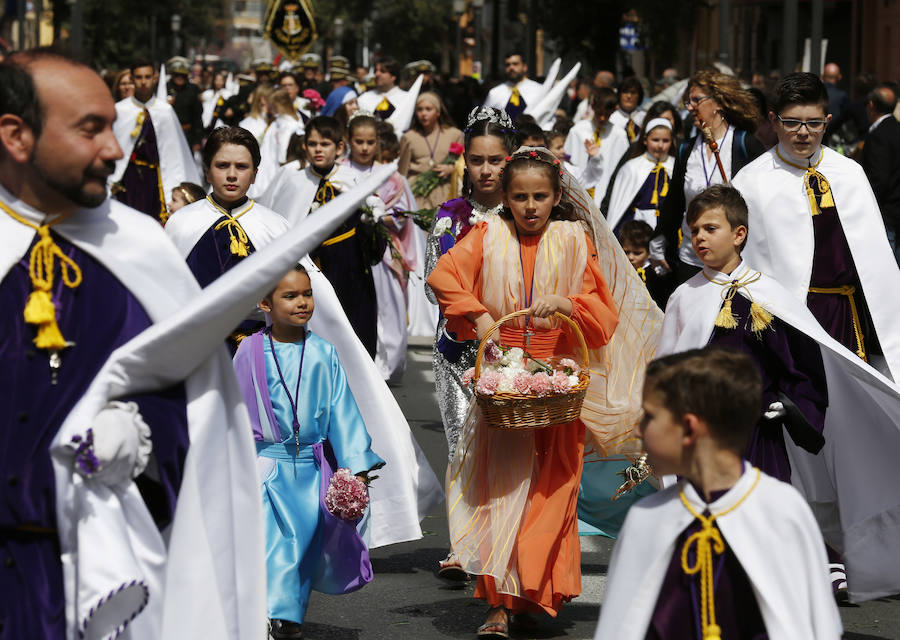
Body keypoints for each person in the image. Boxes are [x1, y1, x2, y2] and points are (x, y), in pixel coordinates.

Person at [0, 49, 265, 639]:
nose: (116, 150)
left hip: (102, 584)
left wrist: (137, 435)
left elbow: (198, 405)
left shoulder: (139, 245)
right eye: (90, 129)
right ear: (17, 136)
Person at [428, 148, 619, 635]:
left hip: (557, 385)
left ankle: (529, 589)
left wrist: (569, 304)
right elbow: (445, 275)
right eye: (519, 197)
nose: (530, 206)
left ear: (557, 197)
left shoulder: (575, 237)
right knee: (501, 492)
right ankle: (500, 602)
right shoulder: (487, 233)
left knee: (552, 492)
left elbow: (602, 311)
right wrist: (480, 314)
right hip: (504, 383)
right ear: (504, 199)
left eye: (539, 196)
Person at [593, 348, 842, 639]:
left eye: (649, 416)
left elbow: (813, 626)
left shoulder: (782, 512)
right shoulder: (648, 519)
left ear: (689, 428)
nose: (638, 430)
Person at [233, 264, 384, 640]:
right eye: (290, 296)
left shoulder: (323, 353)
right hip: (265, 468)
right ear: (264, 302)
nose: (302, 303)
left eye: (307, 294)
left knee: (302, 550)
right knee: (278, 546)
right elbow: (230, 413)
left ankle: (284, 616)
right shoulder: (248, 351)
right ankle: (279, 619)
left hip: (310, 473)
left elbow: (342, 412)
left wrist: (355, 469)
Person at [733, 72, 900, 382]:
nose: (803, 133)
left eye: (814, 123)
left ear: (828, 119)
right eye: (792, 122)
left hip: (845, 314)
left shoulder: (849, 173)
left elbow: (876, 263)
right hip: (789, 318)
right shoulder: (750, 181)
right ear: (773, 119)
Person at [421, 107, 517, 580]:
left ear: (511, 159)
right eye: (476, 160)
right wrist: (471, 313)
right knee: (463, 445)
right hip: (457, 350)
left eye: (495, 160)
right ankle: (463, 544)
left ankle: (505, 536)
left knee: (509, 447)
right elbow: (433, 281)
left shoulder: (528, 210)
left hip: (517, 348)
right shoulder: (449, 217)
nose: (485, 170)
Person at [260, 116, 383, 357]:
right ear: (305, 145)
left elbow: (371, 235)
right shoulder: (295, 182)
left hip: (349, 273)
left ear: (339, 147)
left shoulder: (353, 180)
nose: (318, 149)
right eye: (313, 143)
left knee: (353, 332)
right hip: (308, 273)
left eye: (325, 144)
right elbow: (281, 225)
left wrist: (371, 222)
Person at [653, 70, 764, 282]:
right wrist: (659, 240)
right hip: (691, 258)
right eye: (688, 102)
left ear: (719, 103)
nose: (690, 107)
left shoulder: (745, 144)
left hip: (734, 261)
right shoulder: (686, 149)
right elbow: (675, 200)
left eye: (696, 100)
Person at [342, 112, 418, 382]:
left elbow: (403, 214)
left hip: (382, 250)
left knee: (388, 306)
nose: (364, 147)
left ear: (378, 143)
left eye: (370, 142)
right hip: (347, 249)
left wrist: (378, 216)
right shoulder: (339, 172)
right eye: (359, 141)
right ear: (348, 141)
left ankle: (386, 364)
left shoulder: (391, 177)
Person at [110, 58, 200, 223]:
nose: (143, 82)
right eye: (138, 77)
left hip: (156, 180)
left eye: (147, 77)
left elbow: (174, 153)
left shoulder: (165, 111)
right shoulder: (120, 110)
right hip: (128, 179)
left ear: (155, 77)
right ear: (132, 78)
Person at [604, 117, 675, 235]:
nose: (660, 145)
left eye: (665, 140)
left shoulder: (676, 166)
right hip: (636, 229)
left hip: (667, 228)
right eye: (655, 140)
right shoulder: (632, 168)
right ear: (645, 140)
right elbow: (619, 207)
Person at [398, 91, 464, 209]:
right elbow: (402, 172)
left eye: (428, 109)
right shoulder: (409, 137)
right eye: (420, 109)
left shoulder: (454, 134)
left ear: (438, 112)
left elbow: (464, 163)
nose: (423, 113)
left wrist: (452, 168)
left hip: (446, 191)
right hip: (417, 193)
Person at [564, 86, 630, 204]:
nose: (602, 118)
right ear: (593, 106)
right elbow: (568, 163)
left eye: (607, 114)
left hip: (605, 194)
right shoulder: (578, 130)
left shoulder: (619, 135)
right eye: (599, 113)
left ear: (614, 110)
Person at [859, 83, 900, 261]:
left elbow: (878, 179)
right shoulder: (896, 129)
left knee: (887, 265)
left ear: (872, 106)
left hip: (886, 213)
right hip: (895, 210)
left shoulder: (879, 135)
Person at [253, 88, 303, 197]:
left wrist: (282, 164)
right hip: (268, 160)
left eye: (273, 105)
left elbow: (283, 150)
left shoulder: (290, 125)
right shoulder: (279, 121)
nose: (271, 108)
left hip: (276, 165)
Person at [617, 220, 675, 310]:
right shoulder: (619, 270)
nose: (630, 257)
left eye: (637, 253)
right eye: (626, 252)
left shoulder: (656, 276)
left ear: (649, 253)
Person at [483, 51, 545, 121]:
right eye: (507, 65)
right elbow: (485, 118)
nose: (511, 67)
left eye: (515, 64)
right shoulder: (494, 93)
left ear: (524, 67)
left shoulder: (538, 89)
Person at [167, 58, 204, 151]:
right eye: (177, 75)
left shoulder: (193, 89)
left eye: (183, 75)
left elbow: (197, 116)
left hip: (187, 134)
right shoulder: (164, 88)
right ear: (172, 74)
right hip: (167, 133)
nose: (180, 78)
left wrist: (197, 140)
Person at [608, 76, 646, 143]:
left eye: (633, 92)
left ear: (639, 96)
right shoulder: (611, 118)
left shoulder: (645, 118)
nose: (629, 96)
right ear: (619, 95)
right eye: (625, 92)